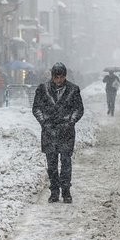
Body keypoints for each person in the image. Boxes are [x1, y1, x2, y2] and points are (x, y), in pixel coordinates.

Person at [32, 62, 84, 203]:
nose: (59, 80)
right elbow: (36, 108)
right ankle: (54, 191)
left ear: (65, 76)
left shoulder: (73, 90)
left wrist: (71, 121)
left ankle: (66, 191)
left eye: (61, 77)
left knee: (66, 163)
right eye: (56, 77)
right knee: (52, 165)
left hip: (66, 131)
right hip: (49, 131)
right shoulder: (43, 89)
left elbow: (79, 109)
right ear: (52, 76)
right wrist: (44, 122)